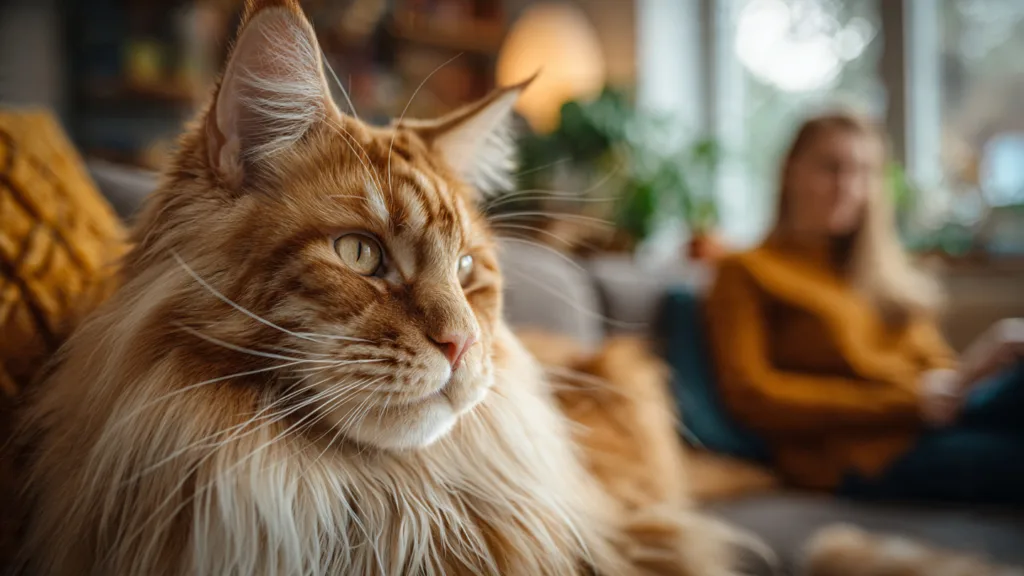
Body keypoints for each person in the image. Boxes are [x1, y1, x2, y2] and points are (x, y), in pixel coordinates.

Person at [705, 111, 1024, 506]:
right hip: (860, 456)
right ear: (791, 171)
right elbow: (752, 396)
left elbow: (934, 365)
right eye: (831, 168)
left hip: (937, 421)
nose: (847, 187)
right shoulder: (746, 271)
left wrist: (977, 367)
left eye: (863, 172)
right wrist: (909, 402)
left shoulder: (881, 275)